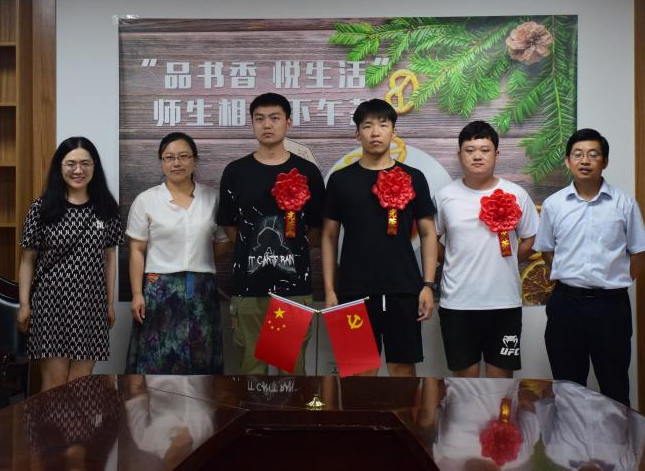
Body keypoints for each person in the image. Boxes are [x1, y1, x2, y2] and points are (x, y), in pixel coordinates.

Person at [534, 128, 645, 406]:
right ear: (568, 161)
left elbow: (639, 254)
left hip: (610, 307)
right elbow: (547, 250)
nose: (585, 160)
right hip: (566, 304)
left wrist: (615, 282)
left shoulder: (624, 203)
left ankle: (616, 437)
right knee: (567, 387)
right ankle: (570, 438)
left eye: (593, 154)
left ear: (604, 161)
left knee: (614, 386)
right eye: (578, 154)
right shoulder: (554, 205)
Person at [322, 99, 438, 377]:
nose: (375, 132)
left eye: (383, 125)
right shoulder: (340, 180)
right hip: (353, 291)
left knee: (403, 370)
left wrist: (427, 285)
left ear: (393, 132)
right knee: (359, 372)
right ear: (357, 133)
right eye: (367, 126)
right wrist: (330, 290)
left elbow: (428, 233)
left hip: (404, 290)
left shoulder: (414, 177)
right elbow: (328, 237)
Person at [216, 92, 326, 375]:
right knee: (251, 370)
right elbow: (229, 224)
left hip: (294, 288)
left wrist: (292, 250)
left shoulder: (307, 172)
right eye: (260, 119)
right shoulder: (235, 172)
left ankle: (292, 410)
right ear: (252, 123)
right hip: (248, 286)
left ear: (288, 123)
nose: (267, 125)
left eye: (274, 118)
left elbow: (316, 227)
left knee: (291, 370)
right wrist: (254, 247)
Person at [434, 121, 538, 378]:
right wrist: (455, 259)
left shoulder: (515, 193)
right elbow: (430, 240)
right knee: (464, 383)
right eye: (469, 150)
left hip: (504, 303)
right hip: (457, 303)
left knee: (501, 385)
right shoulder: (445, 196)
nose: (477, 156)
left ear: (496, 154)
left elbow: (530, 239)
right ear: (460, 155)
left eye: (484, 150)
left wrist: (507, 260)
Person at [18, 136, 121, 392]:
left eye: (85, 163)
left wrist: (108, 303)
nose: (78, 170)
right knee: (55, 385)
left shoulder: (107, 209)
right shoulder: (41, 209)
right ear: (59, 167)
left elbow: (109, 258)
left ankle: (77, 424)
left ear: (94, 167)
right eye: (71, 163)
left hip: (91, 304)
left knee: (80, 384)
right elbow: (27, 260)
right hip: (50, 304)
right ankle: (52, 424)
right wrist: (24, 305)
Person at [126, 132, 226, 375]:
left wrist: (198, 256)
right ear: (161, 162)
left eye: (183, 156)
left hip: (201, 290)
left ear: (194, 160)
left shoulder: (212, 198)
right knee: (158, 359)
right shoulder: (146, 200)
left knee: (201, 358)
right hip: (159, 291)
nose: (176, 163)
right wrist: (138, 294)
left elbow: (223, 242)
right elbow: (137, 249)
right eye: (169, 157)